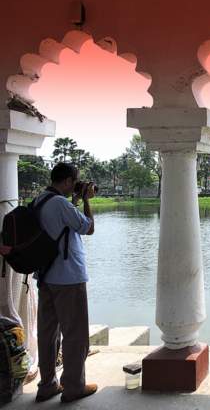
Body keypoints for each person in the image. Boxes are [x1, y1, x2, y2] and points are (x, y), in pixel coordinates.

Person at [33, 162, 97, 404]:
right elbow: (88, 227)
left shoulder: (41, 200)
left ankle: (47, 385)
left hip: (46, 277)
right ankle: (73, 387)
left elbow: (62, 225)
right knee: (75, 335)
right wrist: (88, 201)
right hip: (69, 278)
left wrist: (76, 201)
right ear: (69, 181)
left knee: (48, 334)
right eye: (75, 182)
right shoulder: (60, 203)